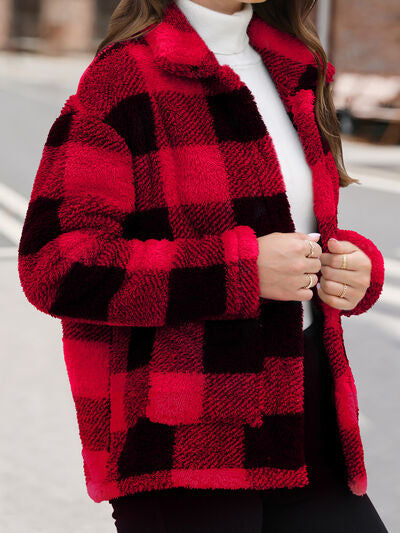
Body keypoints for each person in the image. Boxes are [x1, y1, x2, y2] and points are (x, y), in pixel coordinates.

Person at [18, 0, 388, 531]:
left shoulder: (294, 66)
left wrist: (350, 266)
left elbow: (293, 225)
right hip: (185, 442)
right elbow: (56, 264)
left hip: (308, 412)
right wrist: (239, 272)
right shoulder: (123, 77)